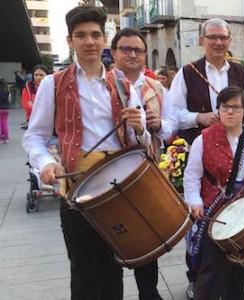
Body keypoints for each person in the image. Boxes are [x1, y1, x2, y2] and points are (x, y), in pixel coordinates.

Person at [23, 5, 152, 299]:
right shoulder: (53, 85)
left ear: (104, 39)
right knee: (82, 272)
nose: (89, 42)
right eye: (81, 35)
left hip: (118, 191)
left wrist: (140, 127)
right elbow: (35, 137)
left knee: (112, 268)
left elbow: (139, 142)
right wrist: (44, 163)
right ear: (70, 40)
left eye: (95, 34)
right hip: (76, 190)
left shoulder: (122, 83)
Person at [183, 86, 244, 299]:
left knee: (242, 266)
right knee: (212, 269)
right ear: (219, 109)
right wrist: (194, 202)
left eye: (235, 107)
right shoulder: (203, 138)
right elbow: (192, 175)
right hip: (215, 208)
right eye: (225, 107)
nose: (230, 112)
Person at [110, 27, 176, 300]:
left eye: (138, 50)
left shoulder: (156, 88)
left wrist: (158, 124)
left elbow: (172, 128)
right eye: (126, 49)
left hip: (146, 173)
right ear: (113, 53)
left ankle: (148, 292)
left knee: (148, 235)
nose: (133, 55)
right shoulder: (102, 83)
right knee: (112, 236)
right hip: (109, 173)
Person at [168, 18, 244, 145]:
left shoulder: (242, 72)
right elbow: (173, 112)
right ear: (202, 40)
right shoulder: (187, 72)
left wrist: (238, 117)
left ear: (230, 41)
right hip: (198, 147)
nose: (218, 42)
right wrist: (199, 117)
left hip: (236, 147)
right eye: (212, 37)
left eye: (223, 38)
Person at [0, 79, 9, 143]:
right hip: (6, 109)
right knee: (5, 123)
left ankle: (0, 138)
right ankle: (6, 138)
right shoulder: (7, 92)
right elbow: (9, 100)